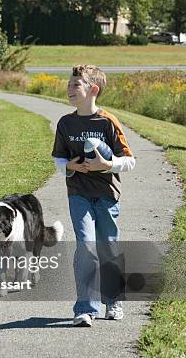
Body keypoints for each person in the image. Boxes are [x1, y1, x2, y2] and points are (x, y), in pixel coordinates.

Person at [52, 65, 136, 327]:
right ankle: (86, 307)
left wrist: (107, 165)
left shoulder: (107, 121)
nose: (69, 87)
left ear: (93, 90)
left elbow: (129, 161)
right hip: (78, 194)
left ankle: (113, 300)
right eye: (69, 83)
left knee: (108, 247)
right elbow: (58, 158)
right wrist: (70, 166)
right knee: (85, 246)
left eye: (76, 84)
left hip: (107, 194)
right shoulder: (66, 123)